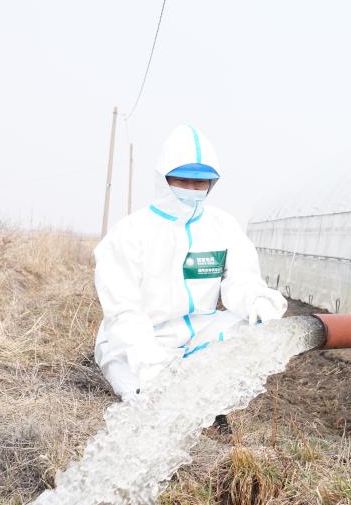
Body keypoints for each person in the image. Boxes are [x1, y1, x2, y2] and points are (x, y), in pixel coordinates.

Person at [93, 124, 287, 400]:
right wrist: (149, 363)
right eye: (183, 181)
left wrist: (258, 302)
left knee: (249, 330)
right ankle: (156, 387)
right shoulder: (130, 233)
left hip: (198, 333)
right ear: (164, 179)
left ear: (211, 184)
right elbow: (124, 311)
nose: (192, 189)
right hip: (142, 339)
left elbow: (241, 281)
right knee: (145, 396)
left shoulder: (222, 226)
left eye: (200, 183)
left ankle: (212, 398)